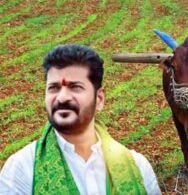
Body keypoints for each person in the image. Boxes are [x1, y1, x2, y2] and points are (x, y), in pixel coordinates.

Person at [0, 44, 161, 194]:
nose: (62, 98)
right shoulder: (21, 170)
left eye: (75, 87)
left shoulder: (138, 167)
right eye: (54, 88)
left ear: (99, 99)